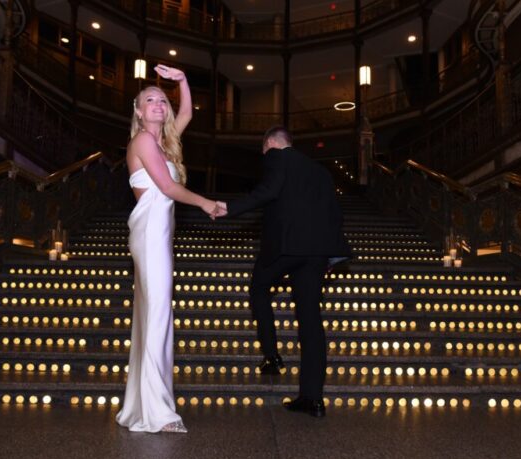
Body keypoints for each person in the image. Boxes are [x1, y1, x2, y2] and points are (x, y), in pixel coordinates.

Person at [216, 126, 350, 417]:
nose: (265, 156)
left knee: (258, 288)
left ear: (270, 144)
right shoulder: (321, 171)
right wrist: (330, 255)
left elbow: (269, 190)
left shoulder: (277, 156)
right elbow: (335, 213)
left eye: (264, 150)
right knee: (311, 321)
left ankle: (272, 355)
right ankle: (312, 398)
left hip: (286, 248)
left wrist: (229, 208)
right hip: (316, 253)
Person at [116, 65, 221, 433]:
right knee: (158, 316)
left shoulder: (163, 141)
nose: (159, 105)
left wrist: (183, 82)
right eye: (150, 100)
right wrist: (206, 203)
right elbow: (167, 188)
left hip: (160, 234)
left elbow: (188, 113)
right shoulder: (143, 141)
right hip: (149, 234)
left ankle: (146, 407)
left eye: (163, 100)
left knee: (156, 317)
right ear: (139, 111)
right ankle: (156, 413)